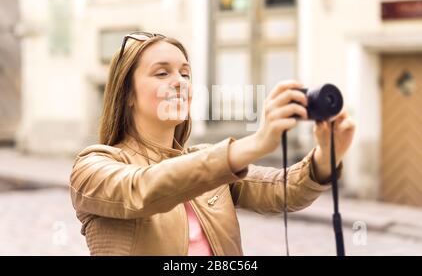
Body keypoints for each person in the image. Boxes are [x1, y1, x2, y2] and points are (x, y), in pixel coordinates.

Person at [70, 32, 356, 256]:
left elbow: (284, 191)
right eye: (162, 73)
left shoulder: (210, 163)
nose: (179, 82)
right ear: (127, 94)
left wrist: (326, 154)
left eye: (185, 73)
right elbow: (141, 190)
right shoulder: (92, 167)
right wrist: (257, 142)